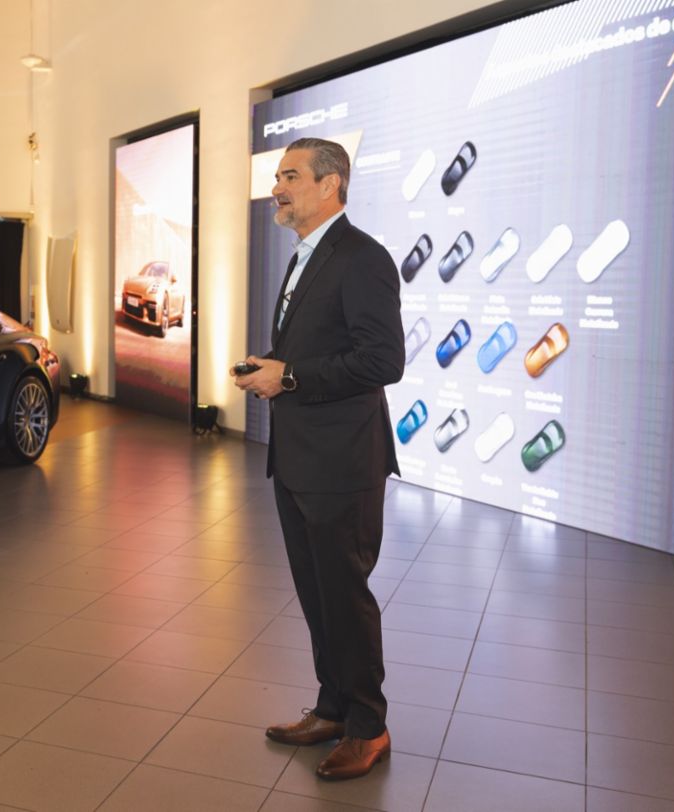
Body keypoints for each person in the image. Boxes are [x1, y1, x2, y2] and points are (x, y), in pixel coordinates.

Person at [233, 137, 404, 781]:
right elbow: (314, 346)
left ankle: (368, 726)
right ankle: (332, 706)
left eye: (290, 176)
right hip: (299, 458)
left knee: (344, 594)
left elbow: (383, 359)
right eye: (277, 176)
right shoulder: (305, 254)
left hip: (342, 464)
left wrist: (291, 376)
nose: (277, 187)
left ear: (330, 185)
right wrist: (271, 370)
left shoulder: (363, 257)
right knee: (315, 593)